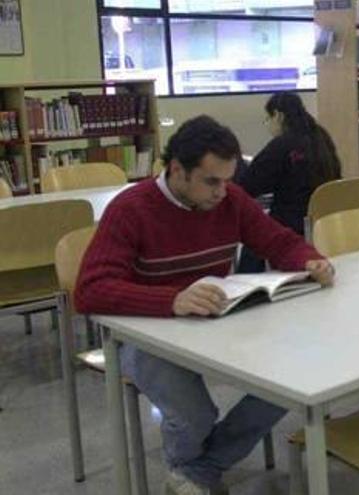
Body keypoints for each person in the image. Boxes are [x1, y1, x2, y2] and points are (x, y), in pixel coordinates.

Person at [75, 115, 334, 494]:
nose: (221, 192)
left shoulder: (229, 200)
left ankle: (195, 472)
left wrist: (309, 259)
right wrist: (172, 300)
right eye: (211, 181)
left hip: (214, 321)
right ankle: (195, 470)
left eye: (228, 181)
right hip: (145, 335)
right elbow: (90, 291)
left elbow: (278, 241)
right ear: (177, 170)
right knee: (196, 416)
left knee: (292, 384)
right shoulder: (130, 209)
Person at [235, 91, 341, 272]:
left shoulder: (282, 144)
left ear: (278, 115)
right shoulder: (322, 137)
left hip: (292, 224)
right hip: (327, 221)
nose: (268, 125)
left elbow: (248, 185)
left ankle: (245, 288)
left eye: (267, 119)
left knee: (253, 238)